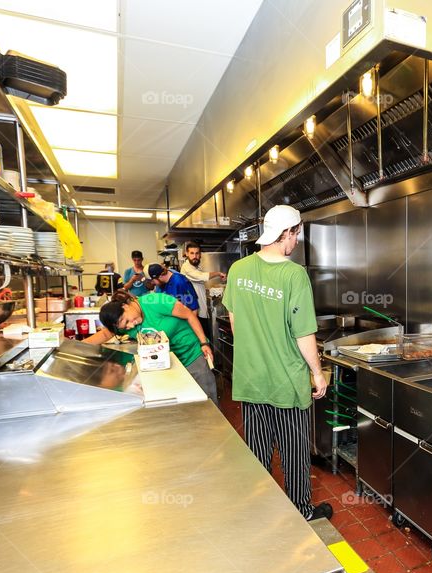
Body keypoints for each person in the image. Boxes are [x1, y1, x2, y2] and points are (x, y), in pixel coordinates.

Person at [222, 204, 331, 521]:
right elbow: (304, 334)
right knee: (294, 451)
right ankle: (300, 510)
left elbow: (234, 319)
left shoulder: (239, 270)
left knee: (257, 450)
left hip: (250, 379)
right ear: (287, 233)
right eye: (296, 233)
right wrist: (317, 373)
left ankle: (260, 509)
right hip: (286, 382)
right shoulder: (294, 275)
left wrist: (256, 347)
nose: (297, 240)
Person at [84, 290, 218, 402]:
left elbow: (189, 314)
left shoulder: (154, 301)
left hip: (192, 354)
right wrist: (75, 346)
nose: (130, 326)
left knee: (206, 400)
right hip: (169, 364)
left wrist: (203, 342)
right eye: (125, 327)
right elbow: (105, 335)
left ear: (125, 306)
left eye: (127, 321)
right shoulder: (124, 324)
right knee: (186, 402)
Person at [181, 241, 225, 344]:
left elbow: (199, 284)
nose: (195, 256)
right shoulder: (186, 267)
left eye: (197, 253)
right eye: (192, 253)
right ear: (186, 254)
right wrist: (219, 273)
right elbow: (202, 277)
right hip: (194, 311)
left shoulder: (197, 267)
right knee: (202, 341)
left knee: (205, 339)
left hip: (201, 310)